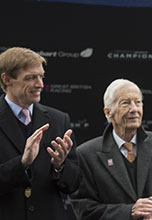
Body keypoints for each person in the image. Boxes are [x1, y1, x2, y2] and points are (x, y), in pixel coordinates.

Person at [70, 79, 152, 220]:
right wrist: (129, 212)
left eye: (138, 102)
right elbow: (84, 209)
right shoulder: (86, 155)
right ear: (108, 112)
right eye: (125, 103)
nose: (134, 109)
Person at [0, 47, 81, 220]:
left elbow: (74, 184)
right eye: (30, 78)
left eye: (41, 77)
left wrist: (60, 166)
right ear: (7, 79)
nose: (40, 84)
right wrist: (21, 163)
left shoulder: (59, 120)